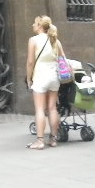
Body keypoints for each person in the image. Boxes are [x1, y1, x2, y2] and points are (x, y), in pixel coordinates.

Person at [25, 15, 66, 150]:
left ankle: (40, 140)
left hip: (40, 77)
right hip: (54, 78)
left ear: (40, 26)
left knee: (40, 109)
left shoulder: (33, 40)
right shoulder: (55, 40)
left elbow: (30, 62)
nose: (33, 25)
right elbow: (63, 59)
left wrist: (29, 78)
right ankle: (53, 139)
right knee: (52, 108)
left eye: (35, 23)